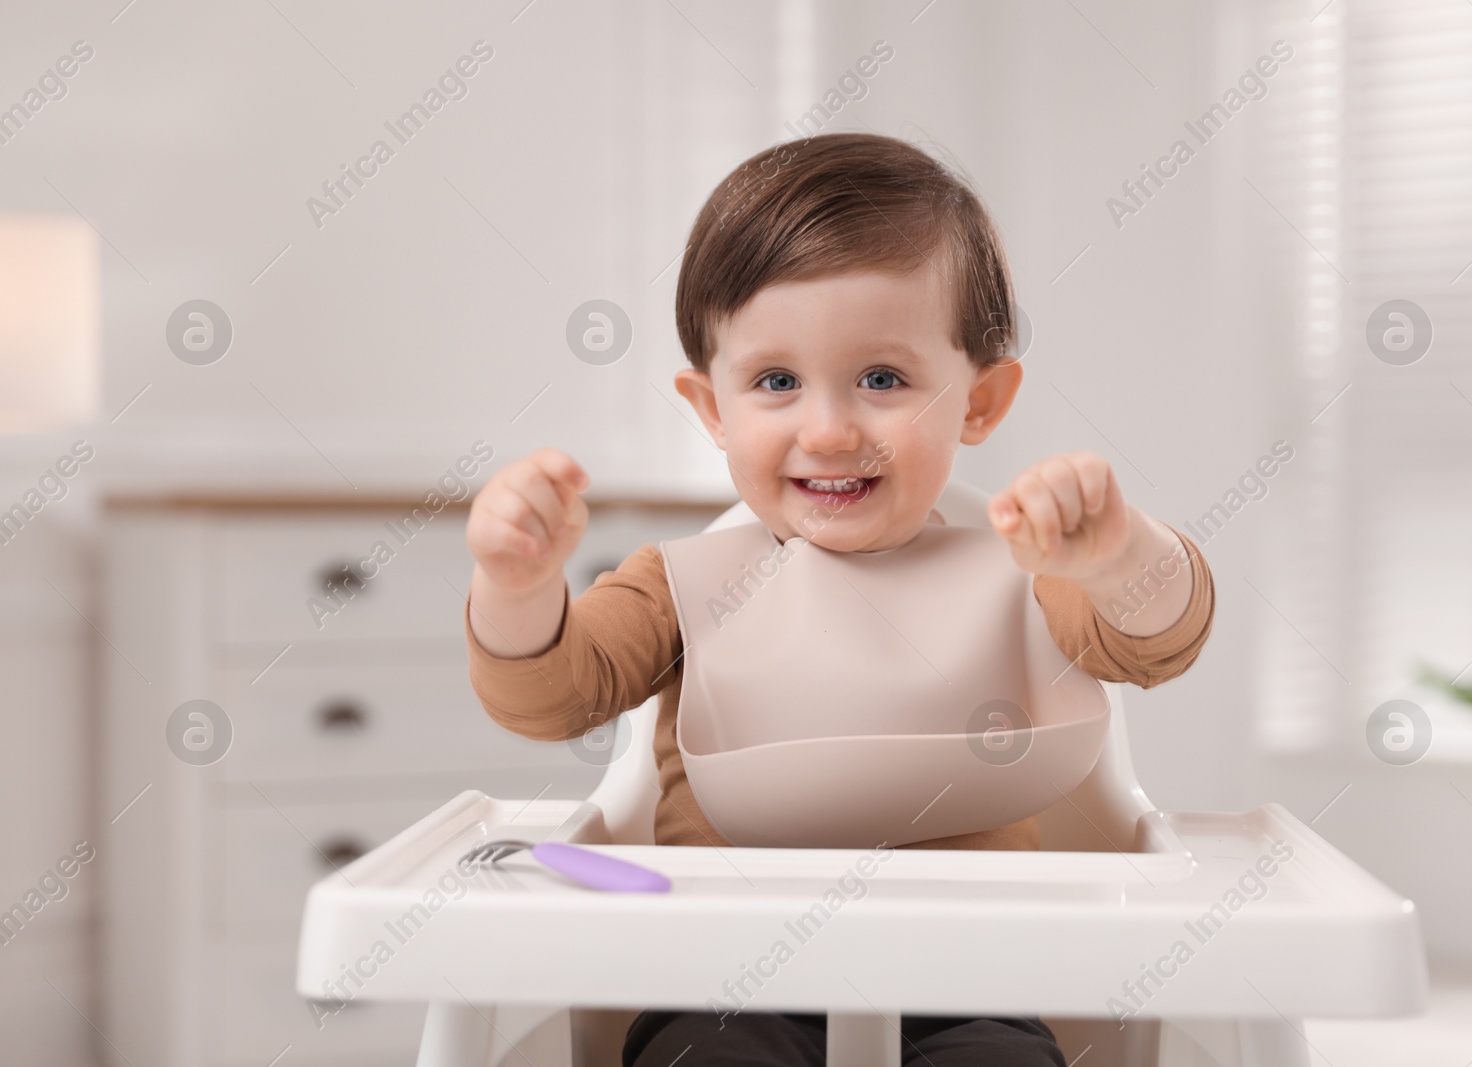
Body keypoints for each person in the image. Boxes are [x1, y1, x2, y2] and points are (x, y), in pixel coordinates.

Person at [463, 132, 1215, 1067]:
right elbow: (554, 695)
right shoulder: (681, 584)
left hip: (973, 988)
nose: (828, 429)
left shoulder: (1025, 566)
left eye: (882, 379)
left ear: (979, 402)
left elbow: (1156, 641)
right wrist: (520, 589)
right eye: (776, 382)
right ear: (712, 408)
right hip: (723, 984)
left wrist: (1118, 555)